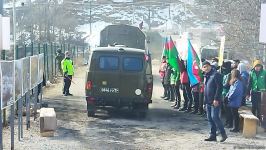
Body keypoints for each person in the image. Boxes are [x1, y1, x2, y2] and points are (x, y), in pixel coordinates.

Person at [202, 61, 227, 142]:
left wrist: (216, 99)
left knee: (215, 117)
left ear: (210, 66)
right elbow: (206, 90)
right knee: (209, 118)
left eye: (207, 66)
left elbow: (219, 88)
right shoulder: (206, 75)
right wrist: (204, 102)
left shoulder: (216, 74)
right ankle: (213, 135)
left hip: (215, 100)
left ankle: (223, 134)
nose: (206, 68)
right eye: (204, 67)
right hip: (208, 101)